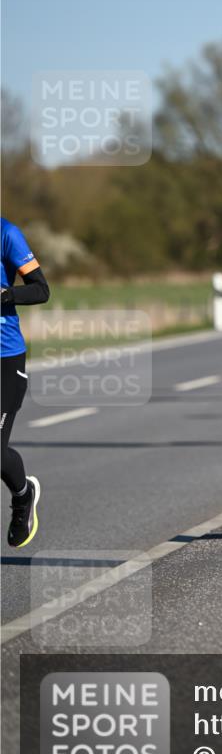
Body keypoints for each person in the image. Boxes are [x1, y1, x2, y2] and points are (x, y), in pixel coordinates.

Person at [1, 218, 50, 547]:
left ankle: (23, 495)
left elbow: (40, 289)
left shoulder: (6, 233)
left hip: (5, 360)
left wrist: (5, 296)